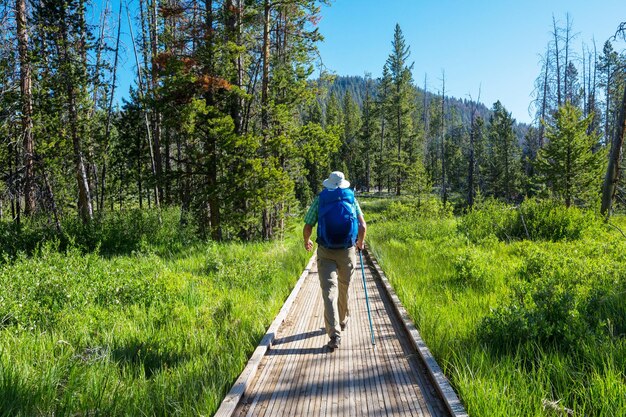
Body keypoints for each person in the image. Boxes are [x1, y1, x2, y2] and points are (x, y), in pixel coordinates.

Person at [303, 171, 367, 350]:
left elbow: (308, 224)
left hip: (325, 251)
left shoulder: (321, 199)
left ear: (329, 184)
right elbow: (362, 225)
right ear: (343, 184)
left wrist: (306, 240)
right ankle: (343, 320)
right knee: (344, 287)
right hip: (347, 251)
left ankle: (334, 334)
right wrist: (360, 244)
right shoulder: (351, 198)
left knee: (329, 291)